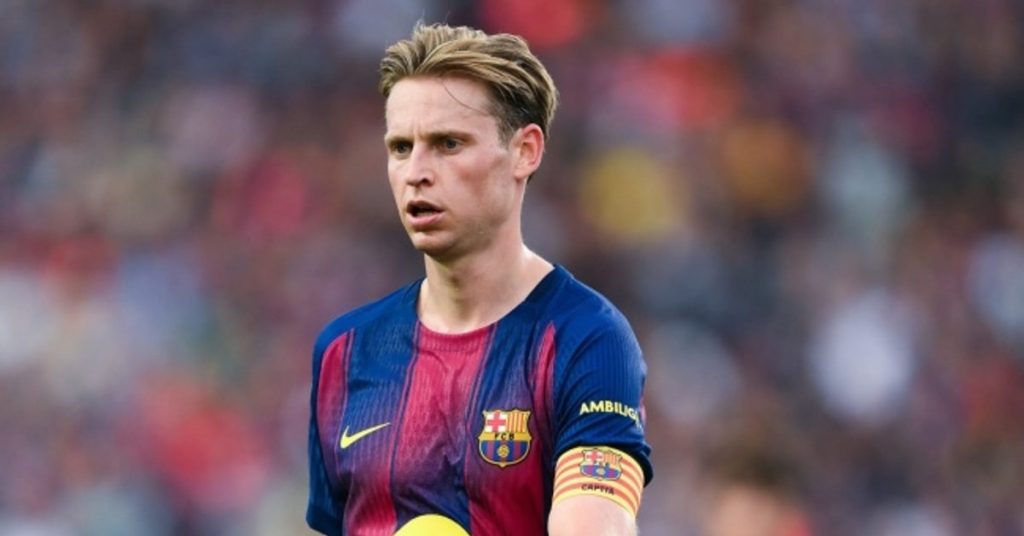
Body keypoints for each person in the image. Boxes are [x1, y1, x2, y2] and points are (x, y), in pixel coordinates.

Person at [307, 22, 652, 536]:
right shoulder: (345, 350)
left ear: (525, 151)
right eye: (400, 147)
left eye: (448, 144)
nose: (416, 172)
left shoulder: (586, 338)